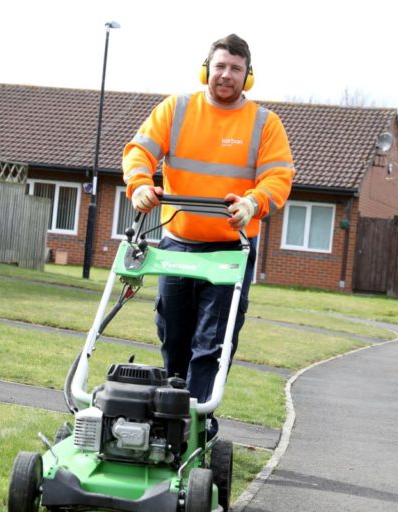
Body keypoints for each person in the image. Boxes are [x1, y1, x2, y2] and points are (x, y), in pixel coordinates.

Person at [121, 34, 295, 437]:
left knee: (212, 341)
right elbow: (139, 151)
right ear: (206, 70)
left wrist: (252, 203)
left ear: (248, 76)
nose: (226, 75)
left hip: (230, 248)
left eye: (235, 68)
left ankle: (196, 422)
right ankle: (171, 411)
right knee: (173, 332)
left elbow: (278, 177)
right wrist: (140, 184)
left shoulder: (264, 124)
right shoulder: (176, 109)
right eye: (220, 66)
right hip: (177, 242)